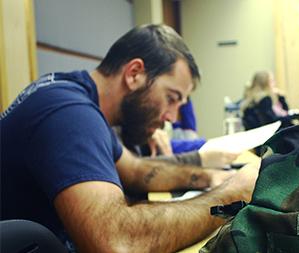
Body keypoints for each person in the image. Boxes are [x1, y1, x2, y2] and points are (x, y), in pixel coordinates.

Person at [1, 24, 259, 253]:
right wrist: (232, 194)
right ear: (134, 73)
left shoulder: (79, 102)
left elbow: (136, 170)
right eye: (171, 98)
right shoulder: (70, 113)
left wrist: (209, 178)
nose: (171, 116)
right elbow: (118, 243)